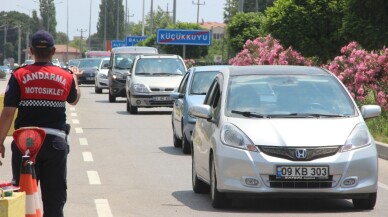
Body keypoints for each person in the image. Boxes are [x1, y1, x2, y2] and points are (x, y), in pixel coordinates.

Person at [0, 30, 82, 217]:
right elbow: (74, 99)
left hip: (25, 146)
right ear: (53, 51)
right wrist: (75, 77)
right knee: (54, 199)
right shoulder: (65, 76)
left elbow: (7, 114)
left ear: (31, 51)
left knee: (23, 196)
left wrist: (0, 141)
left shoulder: (19, 75)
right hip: (55, 144)